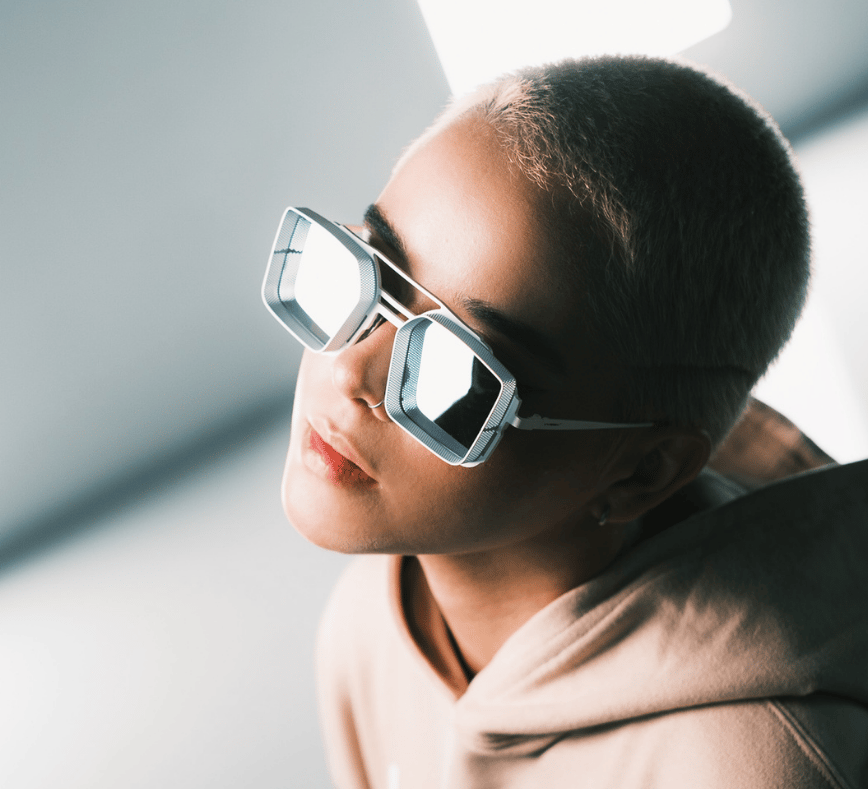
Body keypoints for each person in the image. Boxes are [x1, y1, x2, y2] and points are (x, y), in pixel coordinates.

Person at [262, 56, 868, 787]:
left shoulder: (753, 766)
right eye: (371, 268)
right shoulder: (370, 620)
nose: (348, 372)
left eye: (458, 369)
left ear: (640, 472)